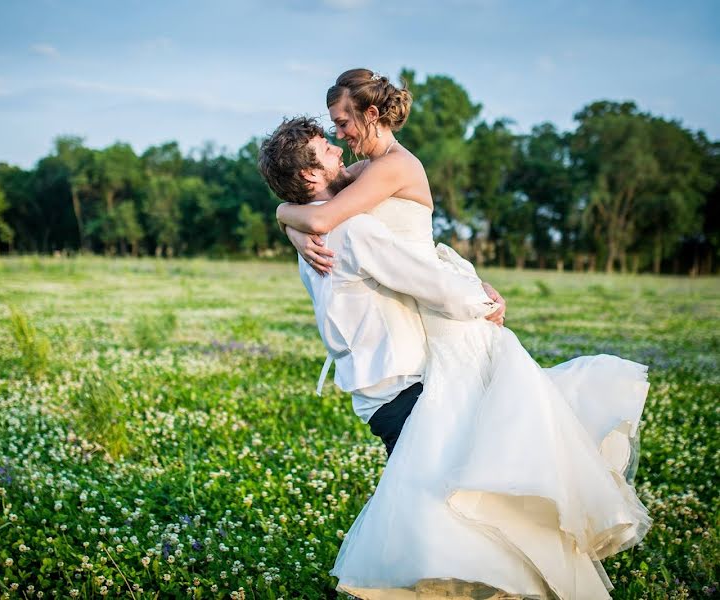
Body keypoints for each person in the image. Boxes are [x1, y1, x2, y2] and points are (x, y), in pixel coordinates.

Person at [270, 69, 652, 600]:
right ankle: (494, 577)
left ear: (369, 114)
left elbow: (335, 222)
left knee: (473, 476)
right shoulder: (351, 200)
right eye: (328, 140)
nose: (338, 141)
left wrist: (287, 215)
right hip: (415, 353)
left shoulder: (386, 170)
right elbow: (340, 226)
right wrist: (291, 218)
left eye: (340, 124)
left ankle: (488, 576)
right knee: (461, 486)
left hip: (425, 346)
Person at [258, 116, 506, 458]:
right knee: (443, 495)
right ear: (309, 174)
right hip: (403, 387)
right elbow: (429, 282)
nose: (337, 147)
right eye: (326, 149)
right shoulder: (351, 230)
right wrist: (484, 302)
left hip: (376, 395)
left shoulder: (310, 237)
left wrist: (284, 215)